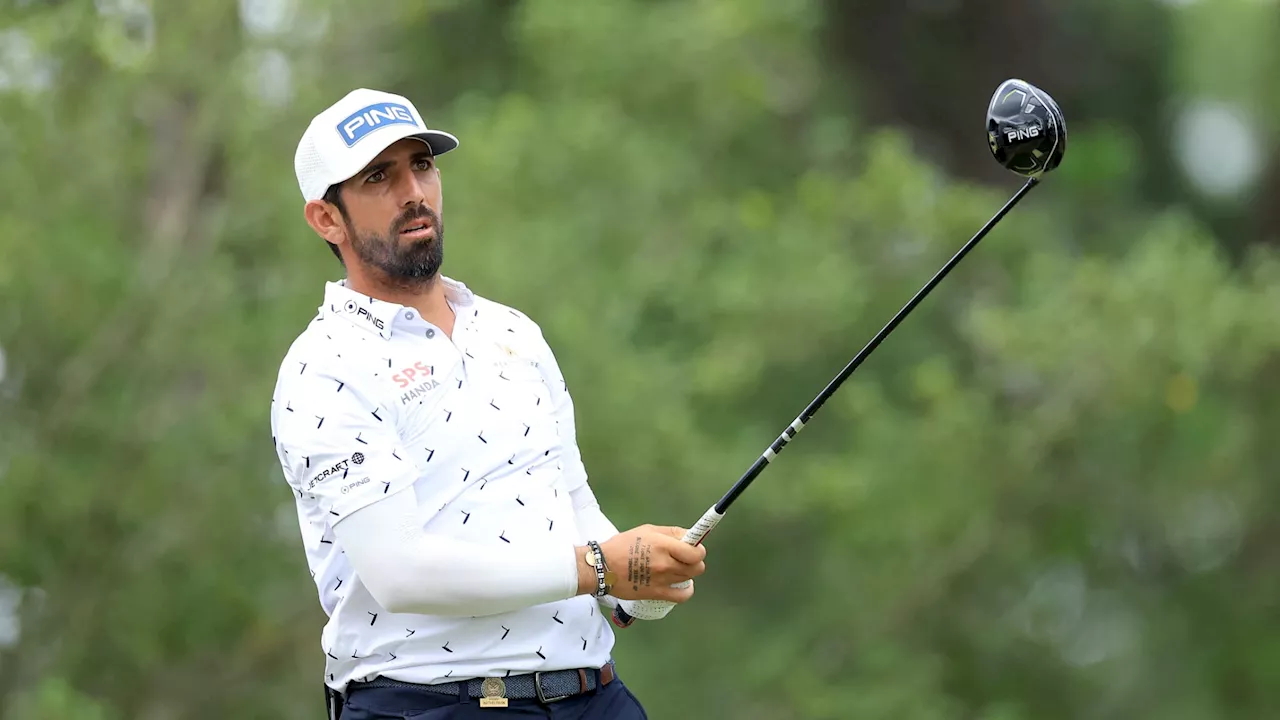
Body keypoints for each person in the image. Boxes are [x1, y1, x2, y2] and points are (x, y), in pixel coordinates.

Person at [270, 87, 707, 720]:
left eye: (421, 166)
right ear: (327, 219)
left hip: (594, 695)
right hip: (429, 705)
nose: (412, 192)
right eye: (378, 177)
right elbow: (402, 575)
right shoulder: (325, 367)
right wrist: (600, 569)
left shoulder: (512, 331)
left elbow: (574, 502)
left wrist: (639, 581)